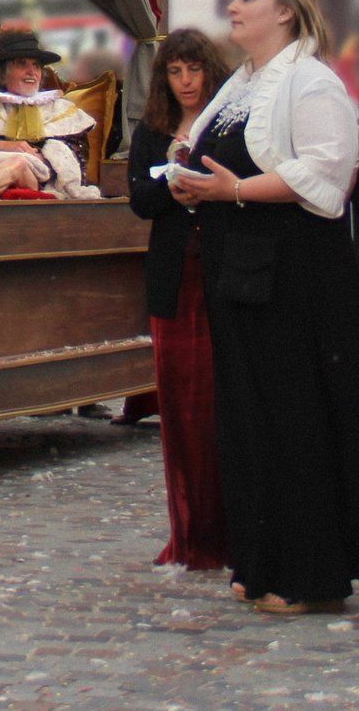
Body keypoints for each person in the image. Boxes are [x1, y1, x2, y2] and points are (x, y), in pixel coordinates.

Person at [170, 0, 359, 614]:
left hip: (295, 275)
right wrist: (191, 184)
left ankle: (309, 573)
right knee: (249, 418)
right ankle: (261, 558)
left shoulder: (310, 81)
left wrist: (236, 189)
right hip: (241, 273)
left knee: (295, 416)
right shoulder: (241, 85)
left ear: (283, 11)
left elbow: (329, 171)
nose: (233, 5)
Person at [126, 29, 232, 570]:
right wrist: (170, 190)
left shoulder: (227, 125)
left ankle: (234, 532)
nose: (186, 81)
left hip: (223, 277)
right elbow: (139, 201)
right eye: (175, 71)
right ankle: (190, 535)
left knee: (223, 406)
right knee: (181, 412)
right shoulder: (151, 131)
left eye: (194, 69)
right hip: (172, 279)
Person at [0, 27, 102, 198]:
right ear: (3, 73)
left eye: (36, 65)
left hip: (40, 185)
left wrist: (32, 159)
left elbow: (73, 163)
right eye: (22, 63)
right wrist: (5, 146)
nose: (32, 72)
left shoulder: (64, 112)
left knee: (19, 164)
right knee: (15, 163)